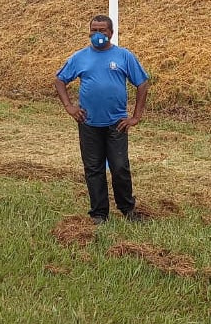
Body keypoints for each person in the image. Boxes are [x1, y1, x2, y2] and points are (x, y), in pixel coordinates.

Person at [54, 15, 150, 225]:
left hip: (117, 123)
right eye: (94, 30)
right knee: (93, 169)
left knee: (119, 167)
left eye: (102, 30)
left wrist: (135, 117)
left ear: (111, 33)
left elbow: (142, 83)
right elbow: (60, 80)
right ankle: (99, 213)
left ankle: (127, 209)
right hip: (88, 123)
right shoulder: (79, 57)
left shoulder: (124, 56)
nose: (98, 34)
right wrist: (70, 107)